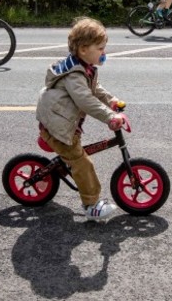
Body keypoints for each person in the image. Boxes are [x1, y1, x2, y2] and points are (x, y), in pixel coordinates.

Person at [36, 17, 124, 221]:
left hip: (61, 121)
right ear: (84, 49)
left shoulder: (84, 67)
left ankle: (60, 165)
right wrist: (110, 117)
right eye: (100, 48)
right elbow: (85, 100)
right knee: (82, 163)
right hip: (58, 127)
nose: (104, 53)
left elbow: (95, 89)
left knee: (74, 156)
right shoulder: (74, 75)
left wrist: (112, 101)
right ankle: (91, 205)